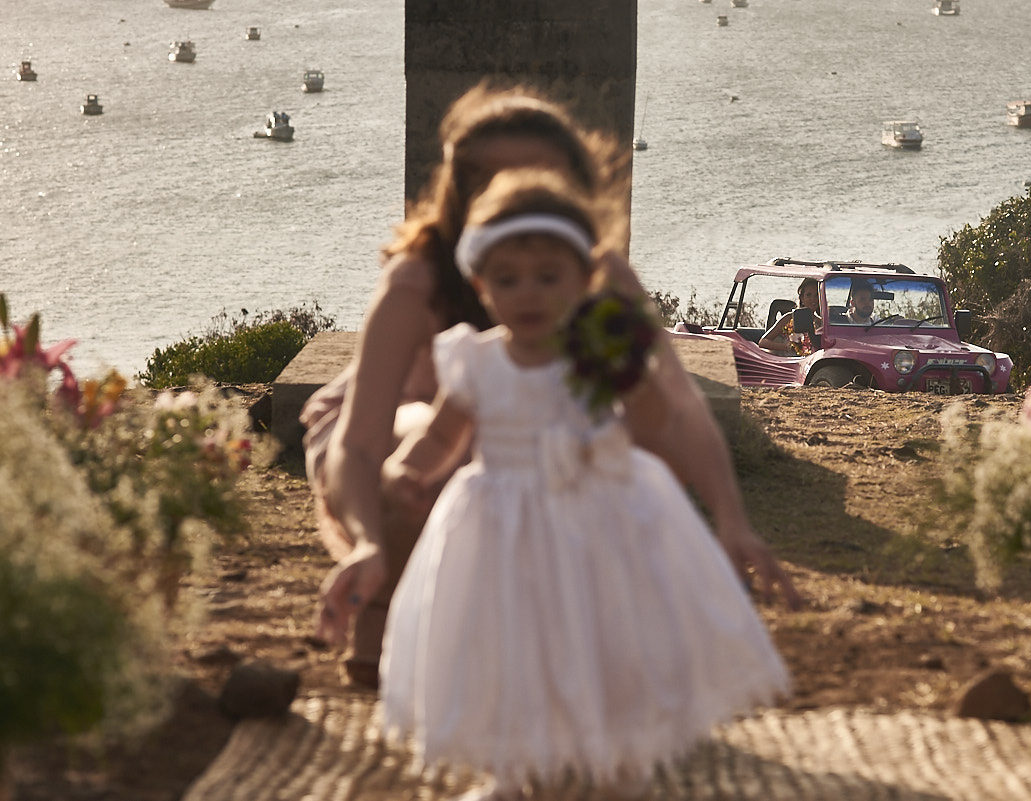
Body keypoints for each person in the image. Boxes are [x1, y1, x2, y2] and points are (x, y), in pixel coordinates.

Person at [309, 83, 800, 686]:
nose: (516, 197)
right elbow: (357, 444)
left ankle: (561, 645)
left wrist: (730, 517)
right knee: (445, 456)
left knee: (625, 452)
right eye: (491, 181)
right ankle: (386, 611)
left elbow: (677, 407)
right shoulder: (420, 280)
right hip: (390, 436)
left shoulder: (599, 280)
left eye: (538, 180)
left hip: (534, 430)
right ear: (460, 193)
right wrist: (364, 540)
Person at [378, 167, 790, 801]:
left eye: (549, 276)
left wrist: (635, 369)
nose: (529, 293)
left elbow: (656, 425)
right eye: (508, 279)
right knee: (513, 643)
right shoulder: (476, 359)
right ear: (482, 286)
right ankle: (517, 770)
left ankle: (613, 766)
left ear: (582, 280)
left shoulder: (596, 351)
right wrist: (411, 468)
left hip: (597, 521)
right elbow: (444, 435)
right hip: (502, 528)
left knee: (604, 641)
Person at [759, 277, 821, 355]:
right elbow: (763, 342)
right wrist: (787, 347)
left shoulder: (821, 323)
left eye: (816, 295)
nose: (813, 299)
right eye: (809, 295)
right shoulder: (789, 318)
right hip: (785, 361)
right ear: (802, 298)